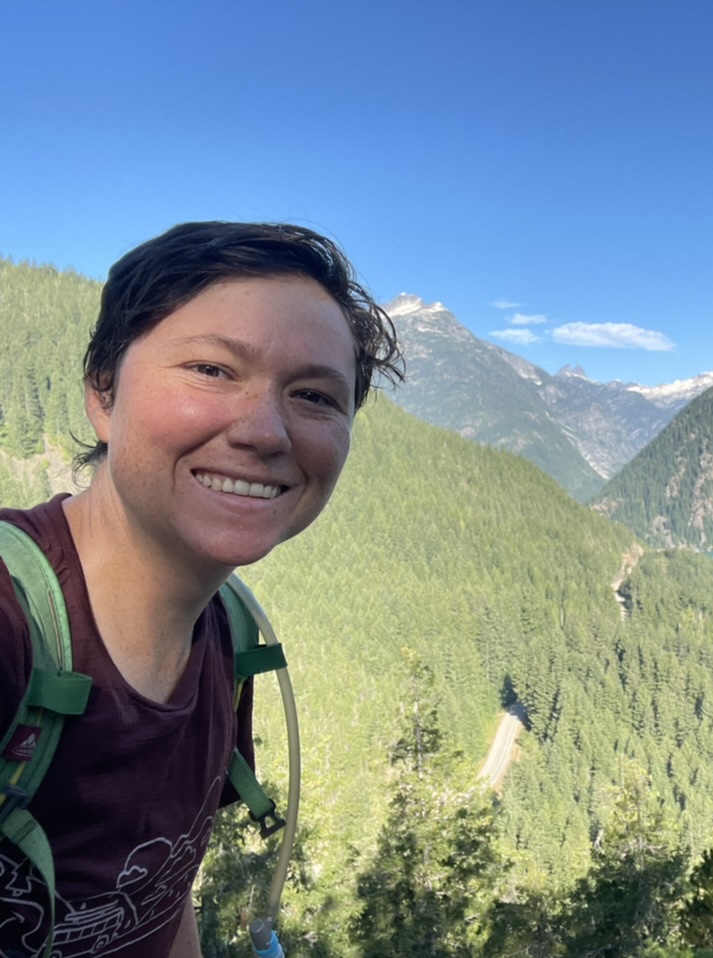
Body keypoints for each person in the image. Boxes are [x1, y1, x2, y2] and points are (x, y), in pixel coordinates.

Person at [0, 222, 402, 956]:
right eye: (213, 371)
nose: (266, 431)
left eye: (314, 395)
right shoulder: (10, 622)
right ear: (102, 389)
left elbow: (157, 897)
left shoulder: (223, 633)